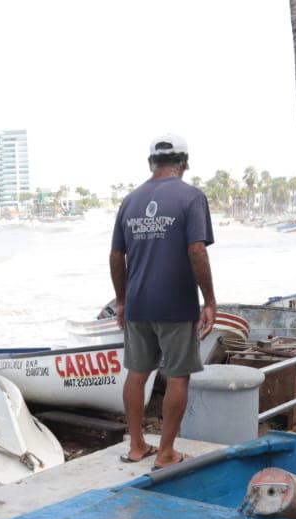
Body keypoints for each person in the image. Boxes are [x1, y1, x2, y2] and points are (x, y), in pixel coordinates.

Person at [109, 133, 216, 469]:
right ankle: (166, 451)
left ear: (150, 163)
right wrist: (210, 300)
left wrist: (122, 300)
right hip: (175, 304)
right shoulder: (191, 197)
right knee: (178, 375)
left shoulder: (130, 200)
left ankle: (137, 445)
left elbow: (116, 255)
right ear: (184, 164)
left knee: (137, 373)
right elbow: (196, 250)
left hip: (138, 303)